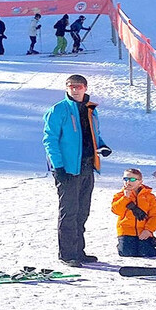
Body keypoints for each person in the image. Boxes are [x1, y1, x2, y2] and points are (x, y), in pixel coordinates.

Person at [43, 74, 112, 267]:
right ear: (66, 88)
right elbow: (50, 140)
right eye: (71, 86)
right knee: (69, 211)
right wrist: (58, 167)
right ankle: (67, 254)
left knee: (83, 211)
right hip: (68, 169)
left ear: (85, 87)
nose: (75, 89)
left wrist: (102, 146)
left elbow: (93, 134)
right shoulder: (58, 110)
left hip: (87, 166)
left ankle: (78, 251)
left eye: (78, 86)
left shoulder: (90, 109)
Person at [111, 168, 156, 257]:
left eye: (132, 179)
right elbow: (116, 210)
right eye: (125, 179)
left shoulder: (149, 197)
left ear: (140, 182)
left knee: (147, 253)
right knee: (127, 253)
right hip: (126, 231)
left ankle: (153, 243)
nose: (128, 182)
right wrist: (125, 198)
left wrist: (148, 230)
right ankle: (121, 244)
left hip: (143, 231)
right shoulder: (119, 195)